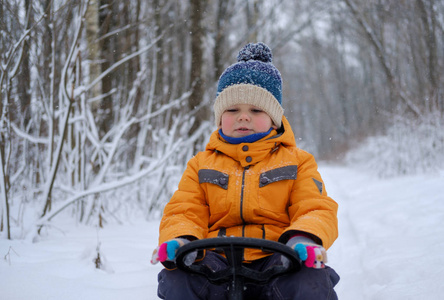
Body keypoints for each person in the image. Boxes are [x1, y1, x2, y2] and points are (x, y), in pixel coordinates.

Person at [151, 42, 340, 299]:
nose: (243, 117)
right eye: (232, 110)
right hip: (215, 261)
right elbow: (185, 210)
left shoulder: (298, 161)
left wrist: (303, 239)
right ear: (219, 117)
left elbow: (315, 207)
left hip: (277, 260)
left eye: (255, 110)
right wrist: (181, 240)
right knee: (177, 279)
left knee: (312, 279)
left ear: (274, 118)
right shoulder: (200, 164)